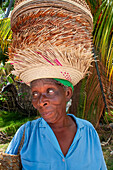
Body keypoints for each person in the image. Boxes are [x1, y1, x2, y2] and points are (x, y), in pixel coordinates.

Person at [6, 0, 107, 169]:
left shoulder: (88, 132)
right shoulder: (26, 135)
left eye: (49, 91)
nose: (41, 101)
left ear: (68, 93)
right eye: (35, 93)